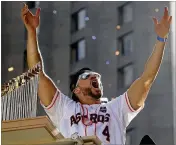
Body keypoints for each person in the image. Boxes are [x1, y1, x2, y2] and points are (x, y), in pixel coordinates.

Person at [21, 3, 172, 145]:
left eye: (97, 77)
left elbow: (146, 78)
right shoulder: (64, 108)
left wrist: (161, 39)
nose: (95, 77)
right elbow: (38, 74)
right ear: (76, 89)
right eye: (87, 76)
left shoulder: (117, 109)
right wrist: (32, 32)